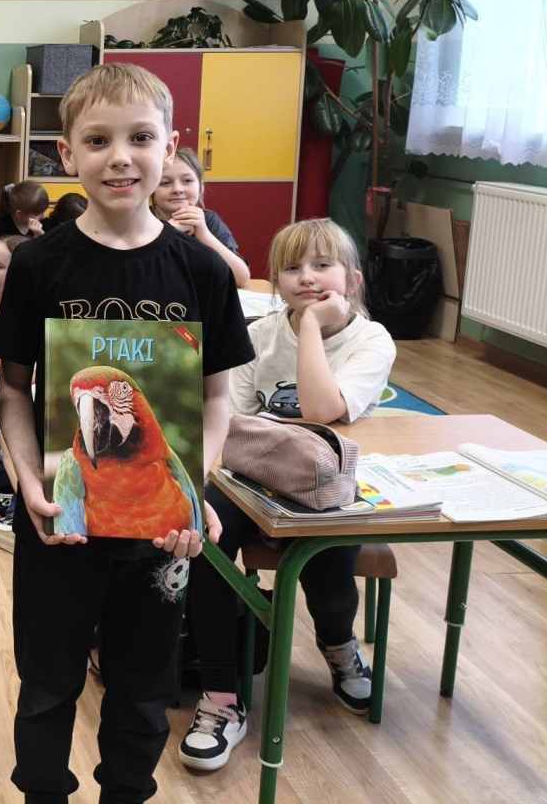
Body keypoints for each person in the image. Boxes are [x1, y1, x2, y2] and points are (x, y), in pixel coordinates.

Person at [0, 62, 254, 804]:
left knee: (144, 692)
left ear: (169, 148)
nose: (120, 158)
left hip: (158, 532)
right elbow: (13, 389)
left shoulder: (202, 271)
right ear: (66, 153)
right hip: (60, 524)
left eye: (140, 138)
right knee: (47, 686)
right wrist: (29, 482)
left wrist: (195, 486)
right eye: (98, 140)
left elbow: (216, 398)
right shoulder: (38, 264)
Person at [179, 218, 396, 772]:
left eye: (322, 266)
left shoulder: (371, 339)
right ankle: (221, 695)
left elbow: (324, 410)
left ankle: (339, 646)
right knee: (206, 539)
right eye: (292, 268)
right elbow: (232, 422)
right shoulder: (258, 336)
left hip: (329, 487)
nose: (307, 278)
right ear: (275, 281)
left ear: (352, 279)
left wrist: (312, 330)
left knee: (327, 560)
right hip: (253, 476)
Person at [152, 148, 251, 288]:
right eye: (165, 183)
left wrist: (204, 234)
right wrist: (168, 233)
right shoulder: (140, 221)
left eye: (187, 180)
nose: (177, 189)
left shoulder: (209, 221)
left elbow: (241, 279)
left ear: (201, 188)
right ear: (151, 189)